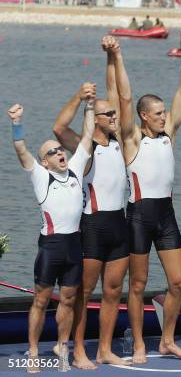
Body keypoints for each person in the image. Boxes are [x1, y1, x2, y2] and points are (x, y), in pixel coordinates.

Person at [115, 29, 181, 364]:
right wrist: (117, 56)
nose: (165, 116)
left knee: (178, 282)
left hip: (166, 215)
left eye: (165, 112)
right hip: (138, 217)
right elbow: (123, 97)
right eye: (158, 113)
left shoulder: (168, 135)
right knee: (138, 285)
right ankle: (137, 343)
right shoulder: (133, 139)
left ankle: (166, 339)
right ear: (144, 116)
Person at [51, 36, 129, 369]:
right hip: (92, 224)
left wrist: (113, 57)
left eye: (114, 113)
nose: (115, 116)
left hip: (119, 223)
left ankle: (105, 349)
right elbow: (59, 127)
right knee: (84, 291)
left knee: (113, 292)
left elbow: (121, 95)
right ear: (95, 119)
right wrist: (79, 96)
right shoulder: (85, 148)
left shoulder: (119, 141)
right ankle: (78, 349)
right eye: (108, 114)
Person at [8, 98, 94, 373]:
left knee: (68, 300)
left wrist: (89, 105)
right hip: (51, 247)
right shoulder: (40, 176)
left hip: (73, 246)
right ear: (44, 162)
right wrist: (17, 123)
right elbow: (20, 149)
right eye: (53, 152)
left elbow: (89, 135)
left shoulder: (76, 170)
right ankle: (33, 350)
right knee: (41, 301)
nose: (60, 153)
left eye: (60, 149)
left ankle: (62, 346)